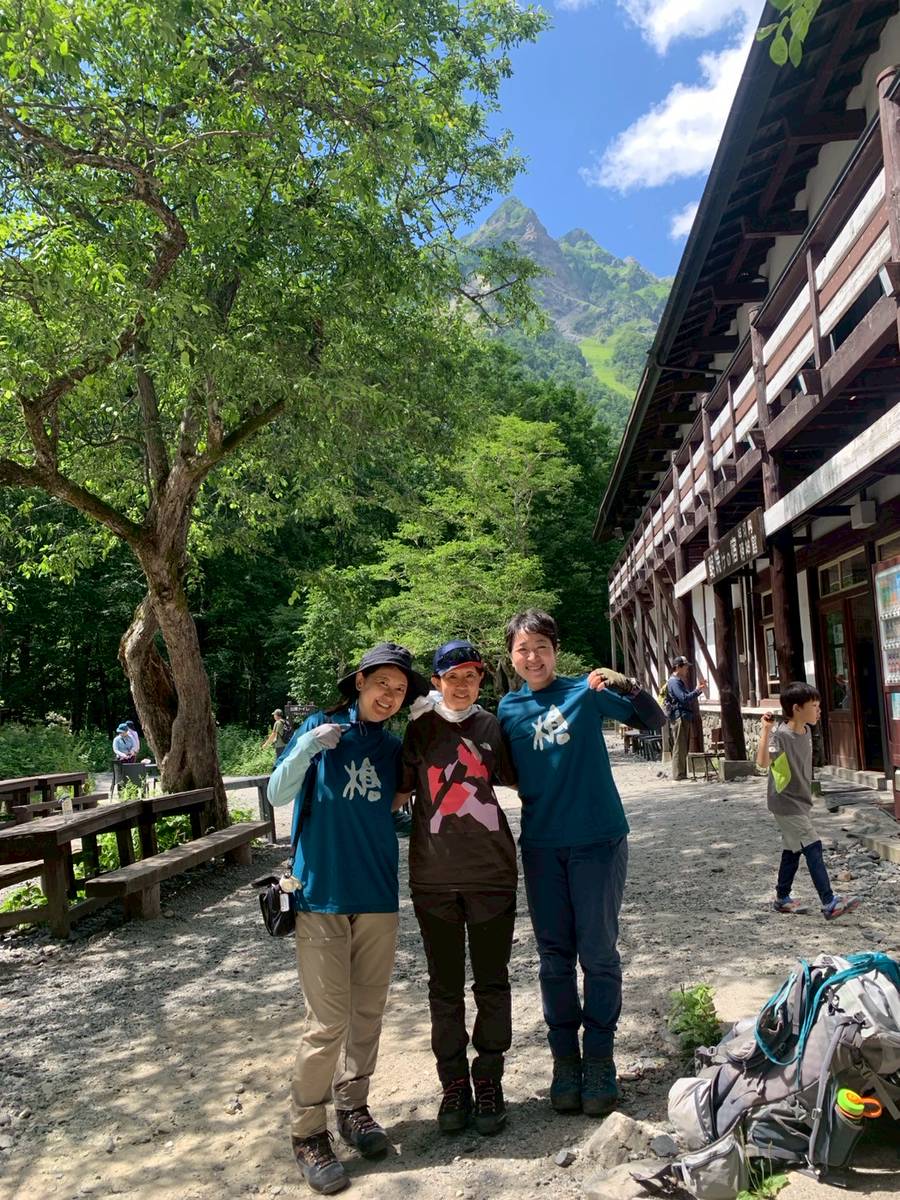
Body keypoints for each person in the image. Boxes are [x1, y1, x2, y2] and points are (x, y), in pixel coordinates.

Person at [267, 643, 429, 1196]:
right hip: (322, 896)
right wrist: (307, 746)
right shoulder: (320, 728)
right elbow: (277, 792)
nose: (390, 695)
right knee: (327, 1020)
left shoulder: (392, 748)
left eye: (400, 690)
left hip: (377, 894)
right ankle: (307, 1132)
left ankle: (353, 1108)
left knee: (367, 1012)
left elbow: (398, 805)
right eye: (382, 683)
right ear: (359, 681)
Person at [497, 609, 639, 1118]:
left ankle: (599, 1058)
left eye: (542, 646)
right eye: (522, 649)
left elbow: (655, 720)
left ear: (555, 650)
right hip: (542, 845)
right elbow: (501, 770)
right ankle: (565, 1060)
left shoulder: (586, 690)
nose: (532, 657)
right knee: (554, 957)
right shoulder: (507, 709)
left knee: (598, 952)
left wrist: (627, 684)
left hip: (598, 838)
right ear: (511, 657)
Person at [396, 639, 518, 1137]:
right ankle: (453, 1084)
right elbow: (396, 794)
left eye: (471, 675)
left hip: (492, 874)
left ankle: (488, 1078)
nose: (462, 684)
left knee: (492, 982)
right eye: (452, 677)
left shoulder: (492, 726)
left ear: (481, 679)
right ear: (437, 681)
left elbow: (523, 779)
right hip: (434, 878)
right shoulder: (419, 728)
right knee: (443, 986)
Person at [756, 682, 860, 921]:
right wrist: (765, 730)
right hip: (786, 802)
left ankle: (782, 898)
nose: (819, 710)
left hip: (800, 802)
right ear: (796, 708)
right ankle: (829, 902)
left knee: (792, 849)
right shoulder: (781, 735)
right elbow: (762, 763)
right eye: (814, 706)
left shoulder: (806, 731)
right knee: (813, 845)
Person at [666, 656, 706, 781]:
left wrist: (697, 690)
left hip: (683, 716)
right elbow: (683, 698)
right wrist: (697, 690)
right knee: (679, 746)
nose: (687, 669)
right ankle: (678, 774)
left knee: (683, 746)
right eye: (685, 666)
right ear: (678, 667)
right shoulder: (674, 682)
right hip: (680, 716)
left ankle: (681, 773)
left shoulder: (678, 681)